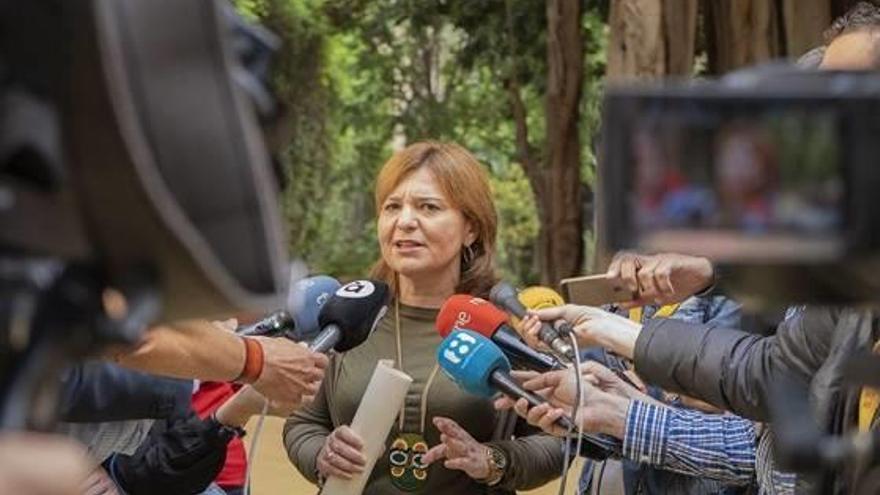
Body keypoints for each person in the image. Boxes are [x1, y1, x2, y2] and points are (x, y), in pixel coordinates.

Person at [284, 141, 564, 494]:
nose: (404, 222)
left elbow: (556, 439)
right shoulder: (348, 318)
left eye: (428, 207)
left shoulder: (505, 328)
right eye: (392, 207)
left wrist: (492, 460)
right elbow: (304, 423)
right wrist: (321, 454)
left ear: (471, 229)